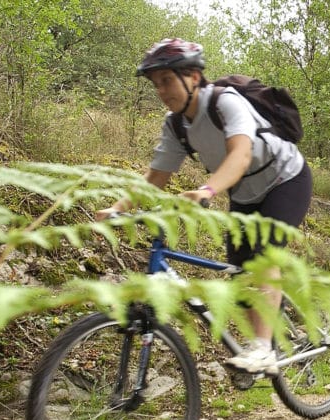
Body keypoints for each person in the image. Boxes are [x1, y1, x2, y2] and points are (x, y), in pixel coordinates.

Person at [96, 38, 312, 375]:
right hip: (244, 192)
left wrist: (207, 189)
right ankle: (266, 330)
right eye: (156, 84)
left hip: (286, 179)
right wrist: (118, 208)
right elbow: (155, 177)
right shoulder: (176, 125)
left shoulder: (225, 102)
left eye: (167, 80)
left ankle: (262, 349)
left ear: (193, 77)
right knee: (238, 276)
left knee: (264, 256)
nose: (161, 90)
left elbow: (240, 154)